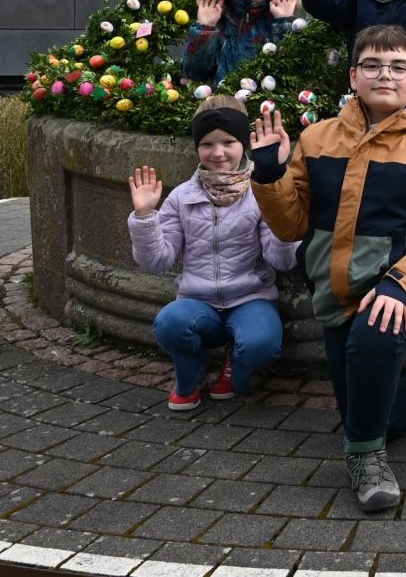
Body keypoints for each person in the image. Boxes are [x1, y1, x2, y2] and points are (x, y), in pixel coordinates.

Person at [249, 25, 406, 512]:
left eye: (398, 67)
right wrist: (270, 174)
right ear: (354, 76)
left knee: (375, 341)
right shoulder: (316, 138)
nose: (385, 75)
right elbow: (291, 226)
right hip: (338, 292)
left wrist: (401, 284)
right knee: (374, 417)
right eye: (373, 65)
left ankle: (366, 461)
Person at [126, 96, 301, 410]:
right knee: (169, 323)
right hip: (198, 301)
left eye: (228, 142)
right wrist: (145, 216)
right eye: (207, 144)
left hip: (251, 298)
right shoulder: (182, 197)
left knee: (261, 344)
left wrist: (278, 194)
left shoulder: (261, 191)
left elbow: (282, 260)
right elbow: (156, 262)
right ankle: (190, 375)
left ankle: (236, 368)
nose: (218, 153)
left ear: (243, 144)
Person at [182, 0, 302, 85]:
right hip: (221, 98)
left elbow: (294, 74)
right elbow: (193, 74)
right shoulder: (220, 25)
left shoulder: (277, 23)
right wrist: (205, 28)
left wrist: (284, 23)